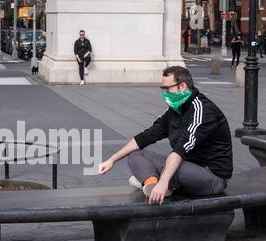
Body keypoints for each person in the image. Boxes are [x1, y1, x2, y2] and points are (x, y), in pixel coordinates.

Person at [99, 66, 233, 205]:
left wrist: (164, 181)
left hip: (212, 177)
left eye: (167, 88)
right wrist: (112, 160)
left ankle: (158, 183)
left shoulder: (202, 110)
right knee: (135, 154)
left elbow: (181, 149)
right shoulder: (174, 110)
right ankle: (151, 184)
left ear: (182, 86)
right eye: (162, 89)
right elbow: (145, 137)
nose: (165, 93)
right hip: (186, 168)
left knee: (171, 165)